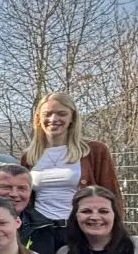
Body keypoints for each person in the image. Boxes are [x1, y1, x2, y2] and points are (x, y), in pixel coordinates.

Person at [22, 92, 120, 226]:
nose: (53, 119)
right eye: (47, 114)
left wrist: (116, 229)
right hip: (40, 230)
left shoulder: (95, 150)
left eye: (62, 114)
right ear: (38, 118)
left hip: (81, 228)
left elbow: (112, 195)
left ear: (72, 117)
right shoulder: (29, 156)